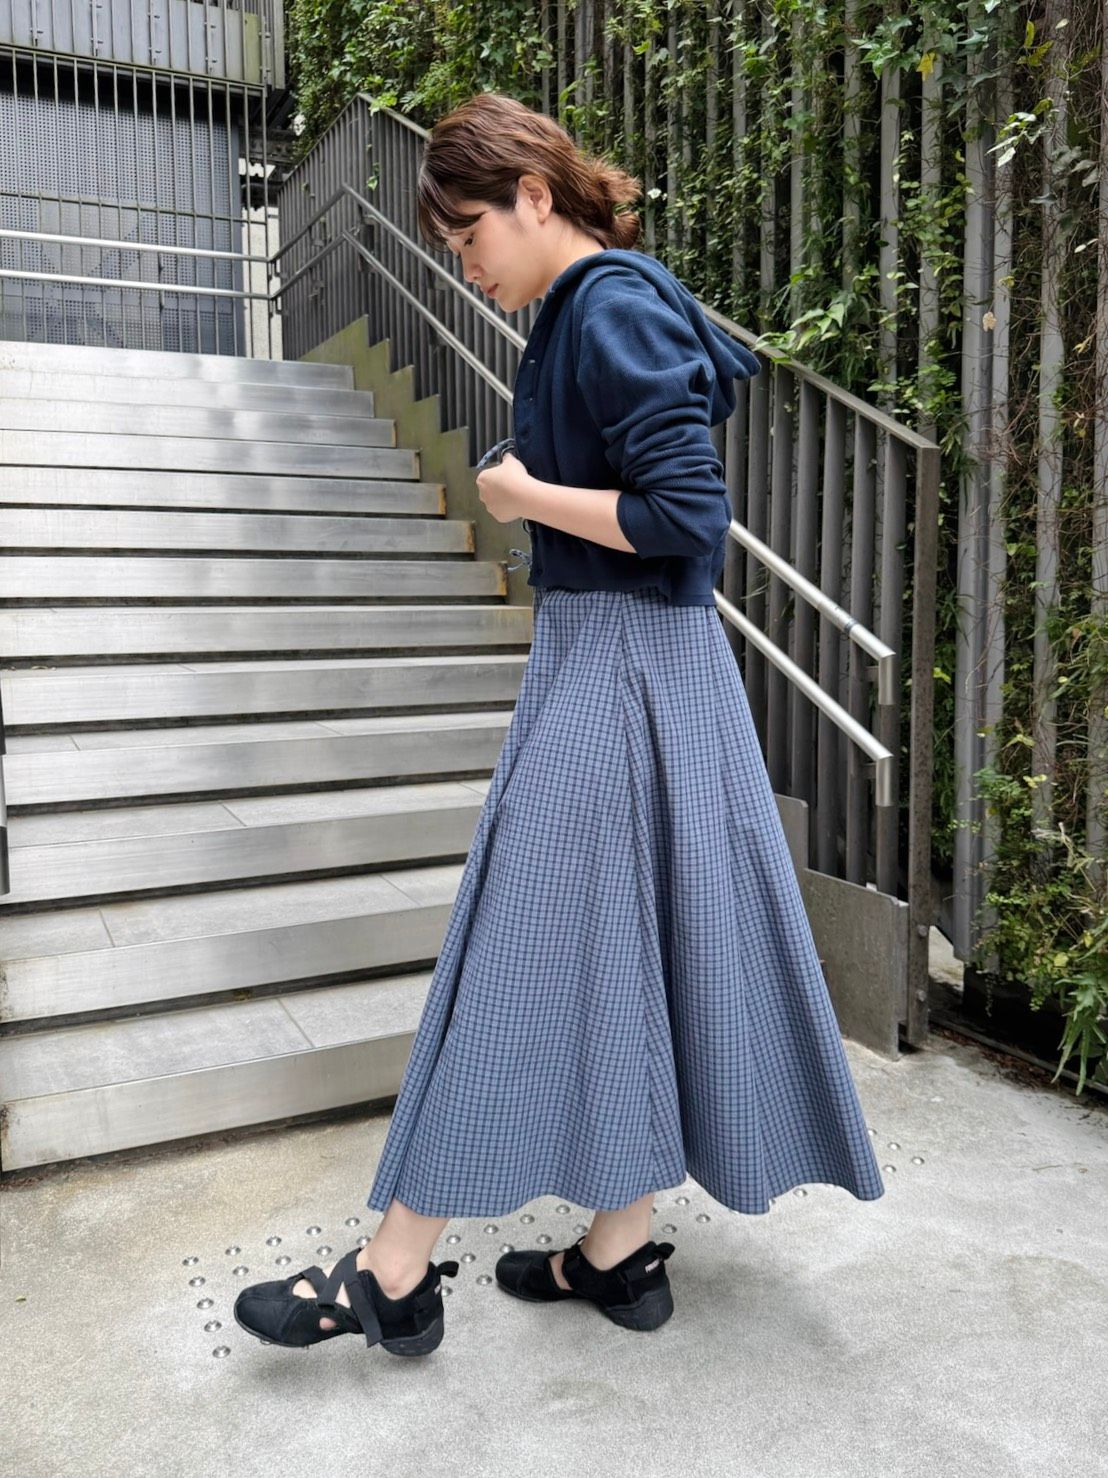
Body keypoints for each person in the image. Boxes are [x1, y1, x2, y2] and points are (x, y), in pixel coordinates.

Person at [234, 91, 885, 1358]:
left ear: (535, 196)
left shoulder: (607, 307)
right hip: (638, 665)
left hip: (620, 665)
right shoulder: (593, 310)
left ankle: (392, 1273)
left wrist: (523, 493)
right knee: (632, 944)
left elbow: (687, 516)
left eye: (469, 233)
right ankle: (615, 1252)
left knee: (515, 944)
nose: (465, 265)